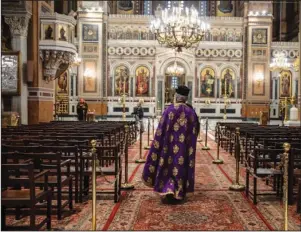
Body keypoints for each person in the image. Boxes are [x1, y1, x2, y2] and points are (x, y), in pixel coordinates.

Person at [142, 85, 199, 204]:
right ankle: (180, 191)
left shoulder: (169, 110)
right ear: (186, 98)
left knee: (167, 167)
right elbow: (195, 132)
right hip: (184, 148)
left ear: (176, 96)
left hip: (167, 146)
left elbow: (160, 130)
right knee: (181, 167)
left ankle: (167, 188)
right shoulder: (191, 112)